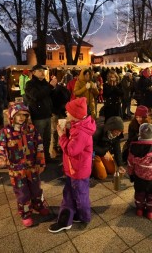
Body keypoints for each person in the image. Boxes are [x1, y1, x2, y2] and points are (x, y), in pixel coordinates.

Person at [0, 102, 50, 227]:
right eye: (18, 115)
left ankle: (39, 205)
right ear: (12, 116)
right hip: (16, 170)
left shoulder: (31, 129)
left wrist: (40, 162)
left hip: (32, 167)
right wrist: (1, 157)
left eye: (24, 115)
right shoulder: (6, 131)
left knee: (36, 189)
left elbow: (39, 145)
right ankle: (25, 213)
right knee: (22, 192)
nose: (21, 118)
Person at [48, 97, 96, 233]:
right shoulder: (79, 126)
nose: (66, 114)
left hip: (78, 171)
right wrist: (67, 130)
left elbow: (71, 150)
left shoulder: (81, 131)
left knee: (80, 195)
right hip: (74, 169)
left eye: (68, 112)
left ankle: (83, 216)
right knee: (70, 193)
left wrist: (61, 135)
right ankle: (68, 217)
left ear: (75, 115)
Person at [127, 123, 152, 220]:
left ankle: (139, 209)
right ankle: (150, 211)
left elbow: (130, 162)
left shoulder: (133, 147)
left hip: (139, 176)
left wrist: (131, 173)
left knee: (139, 192)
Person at [24, 64, 58, 163]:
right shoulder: (30, 84)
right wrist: (50, 86)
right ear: (33, 72)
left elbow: (49, 96)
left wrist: (54, 88)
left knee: (47, 139)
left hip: (47, 114)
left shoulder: (45, 83)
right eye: (40, 71)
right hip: (38, 116)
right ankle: (39, 159)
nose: (42, 72)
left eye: (43, 71)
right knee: (39, 139)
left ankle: (46, 157)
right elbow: (36, 96)